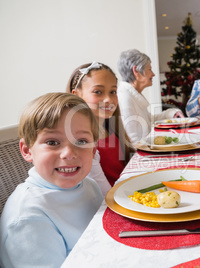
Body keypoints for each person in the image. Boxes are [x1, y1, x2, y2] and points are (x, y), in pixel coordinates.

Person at [0, 93, 103, 267]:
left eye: (81, 141)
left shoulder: (88, 185)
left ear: (93, 151)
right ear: (27, 150)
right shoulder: (28, 219)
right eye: (53, 142)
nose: (69, 153)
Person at [67, 61, 134, 186]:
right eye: (98, 92)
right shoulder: (80, 142)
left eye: (113, 92)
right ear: (76, 95)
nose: (108, 99)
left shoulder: (113, 130)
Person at [117, 49, 184, 147]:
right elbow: (134, 142)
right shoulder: (125, 98)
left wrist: (171, 113)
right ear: (136, 71)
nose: (153, 74)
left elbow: (149, 121)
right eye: (149, 69)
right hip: (142, 156)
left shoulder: (132, 94)